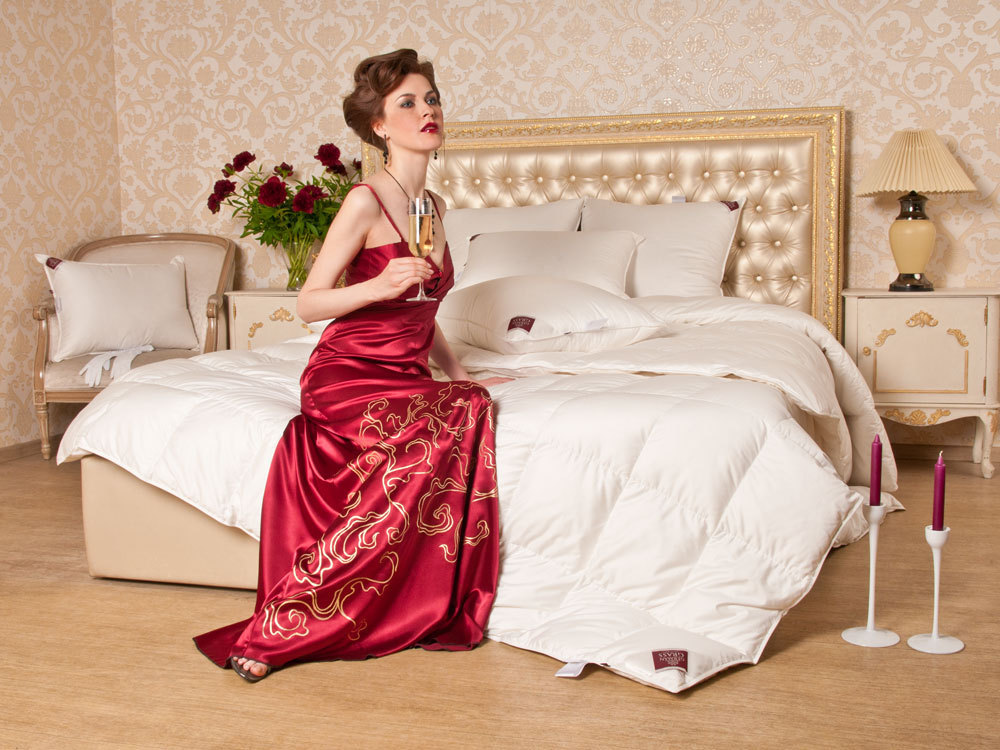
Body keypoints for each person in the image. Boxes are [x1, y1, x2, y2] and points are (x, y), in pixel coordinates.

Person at [194, 49, 505, 682]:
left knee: (468, 404)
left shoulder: (437, 207)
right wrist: (378, 285)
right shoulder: (365, 201)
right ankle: (294, 619)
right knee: (460, 415)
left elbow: (422, 312)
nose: (428, 110)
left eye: (432, 98)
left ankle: (383, 601)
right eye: (408, 103)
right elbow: (309, 303)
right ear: (380, 127)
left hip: (404, 375)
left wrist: (459, 375)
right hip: (345, 374)